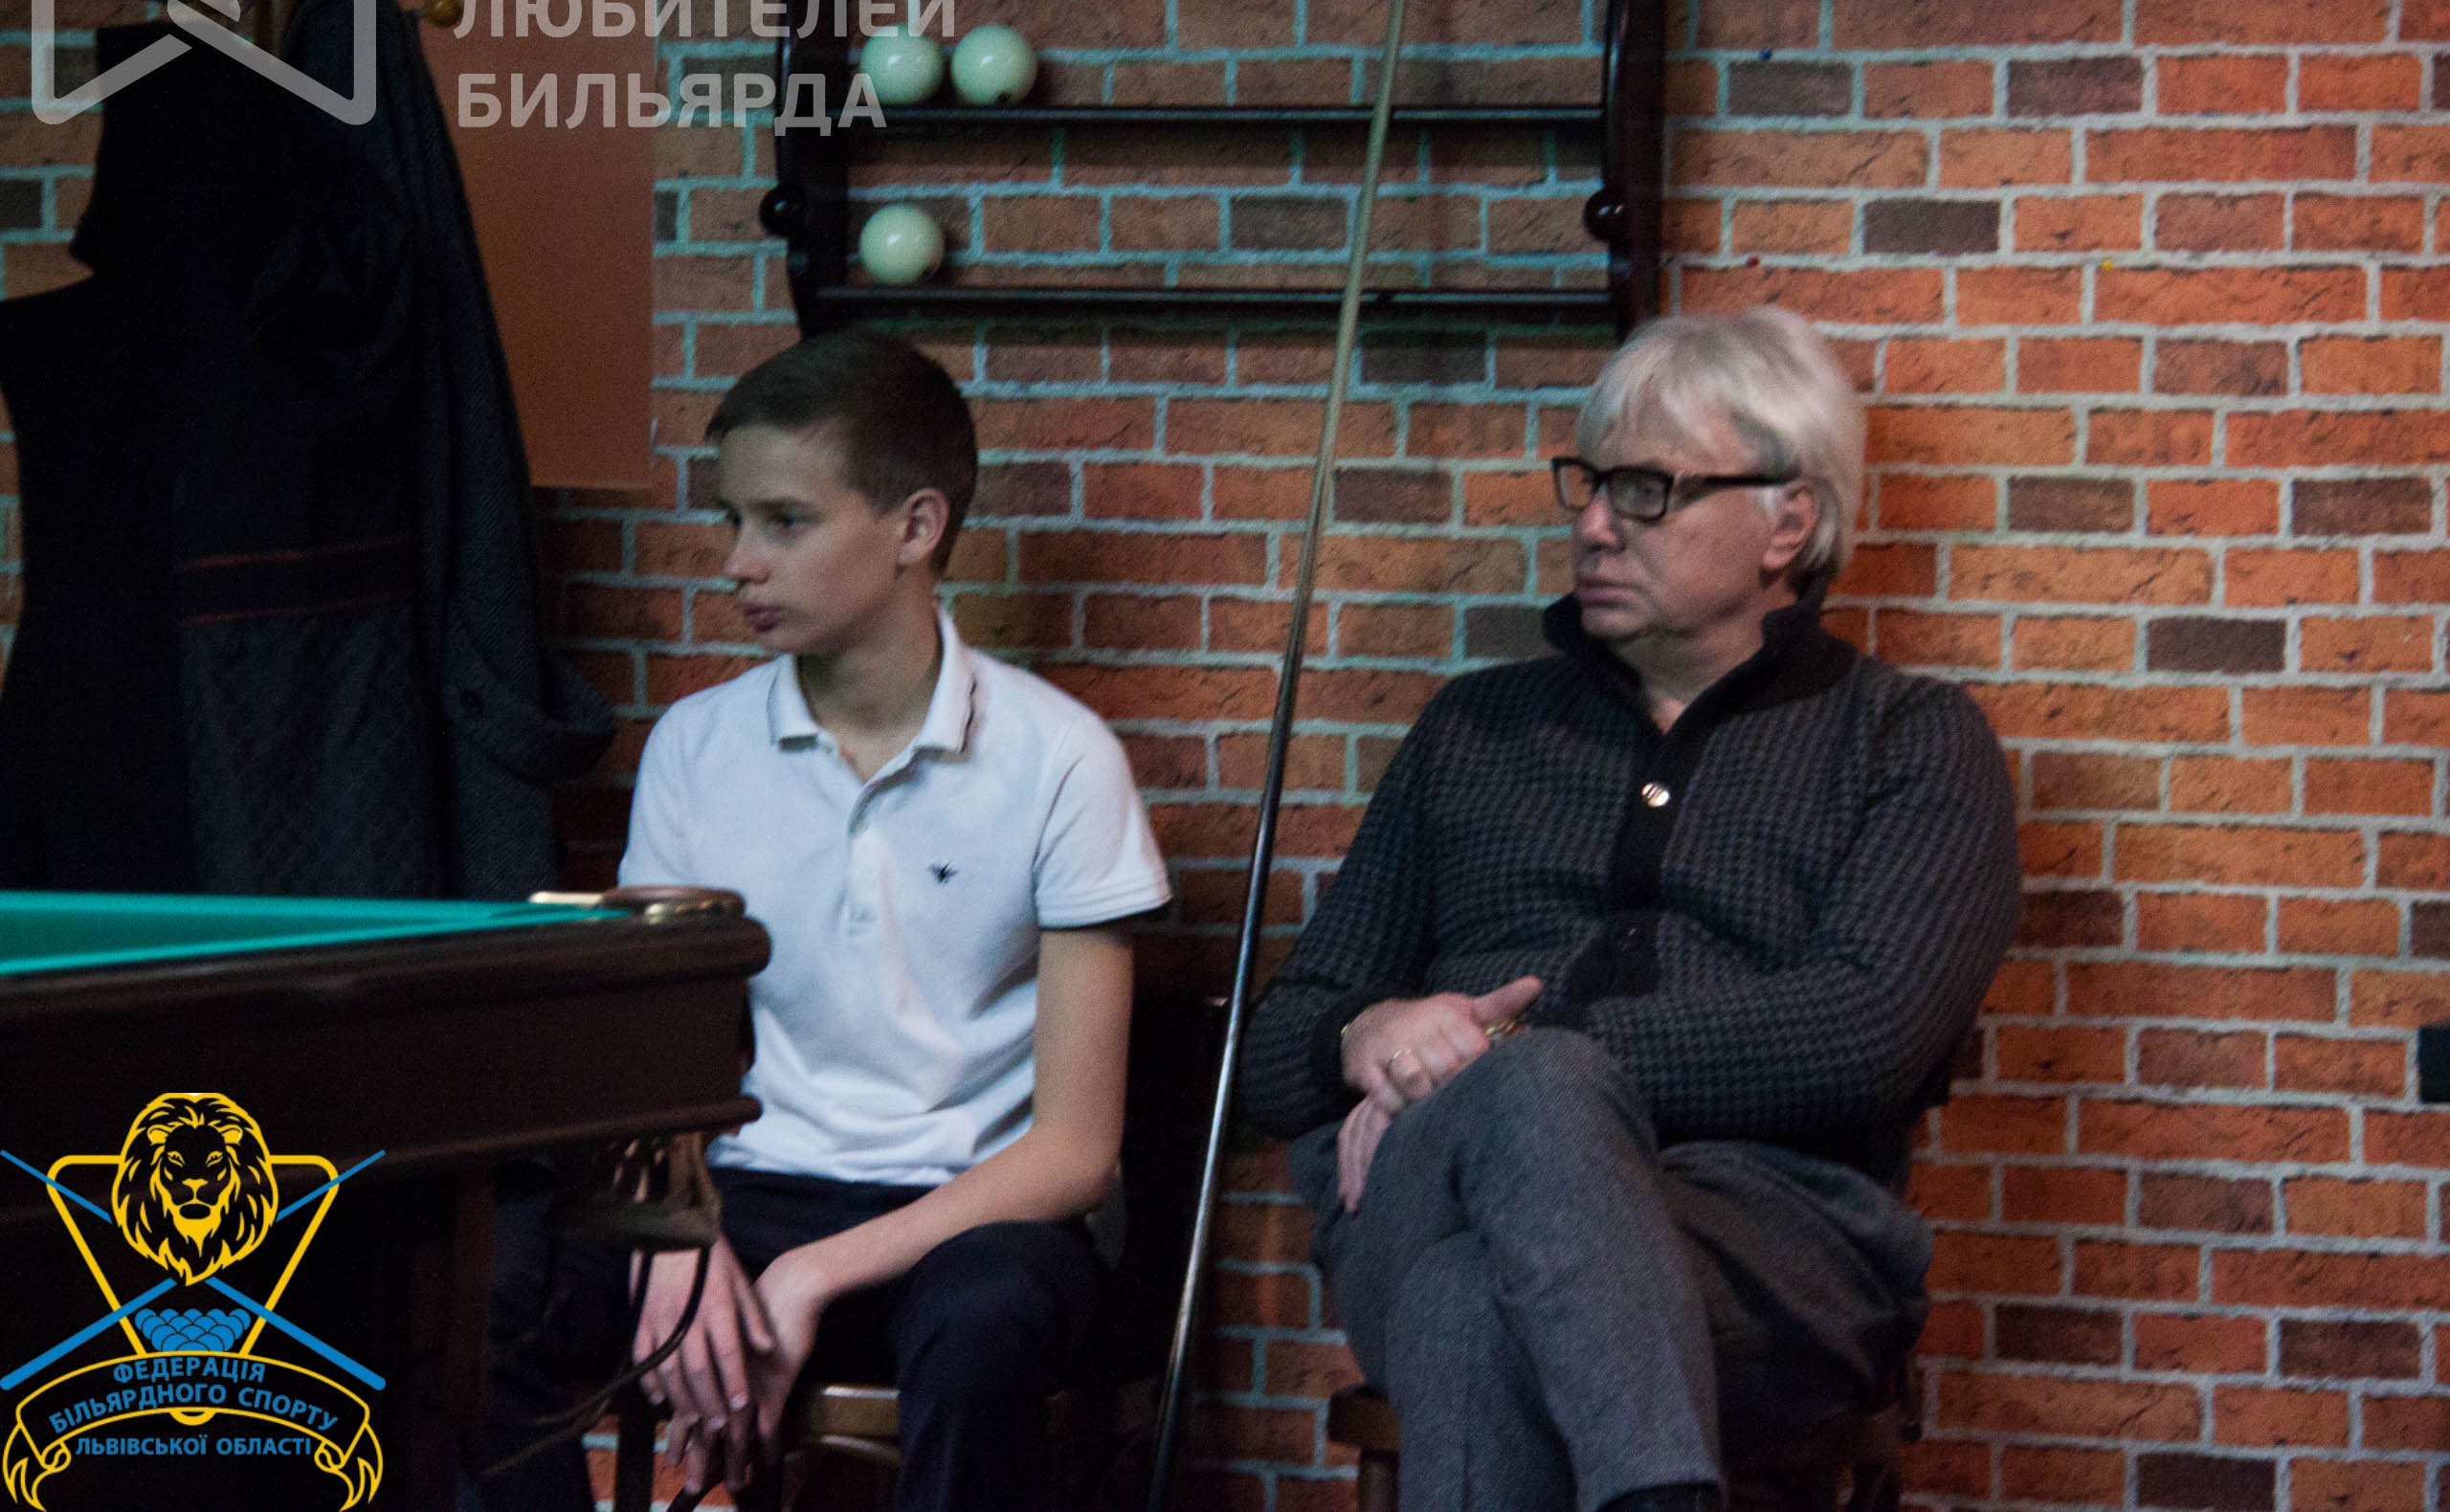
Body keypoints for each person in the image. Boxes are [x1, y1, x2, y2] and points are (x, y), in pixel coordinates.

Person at [1237, 307, 2021, 1512]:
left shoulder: (1906, 741)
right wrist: (1367, 1034)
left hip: (1768, 1246)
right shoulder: (1474, 732)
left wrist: (1503, 1054)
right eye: (1592, 484)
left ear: (1787, 523)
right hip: (1430, 1194)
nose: (1595, 524)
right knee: (1523, 1115)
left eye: (1648, 492)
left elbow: (1861, 1037)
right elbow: (1270, 1051)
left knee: (1470, 1305)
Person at [479, 329, 1170, 1512]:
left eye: (784, 522)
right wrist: (669, 1231)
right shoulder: (696, 746)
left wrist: (808, 1275)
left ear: (915, 527)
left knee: (986, 1325)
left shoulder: (1063, 760)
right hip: (745, 1189)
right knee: (489, 1289)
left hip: (972, 1216)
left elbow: (1072, 1153)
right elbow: (649, 1052)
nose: (738, 563)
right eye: (732, 520)